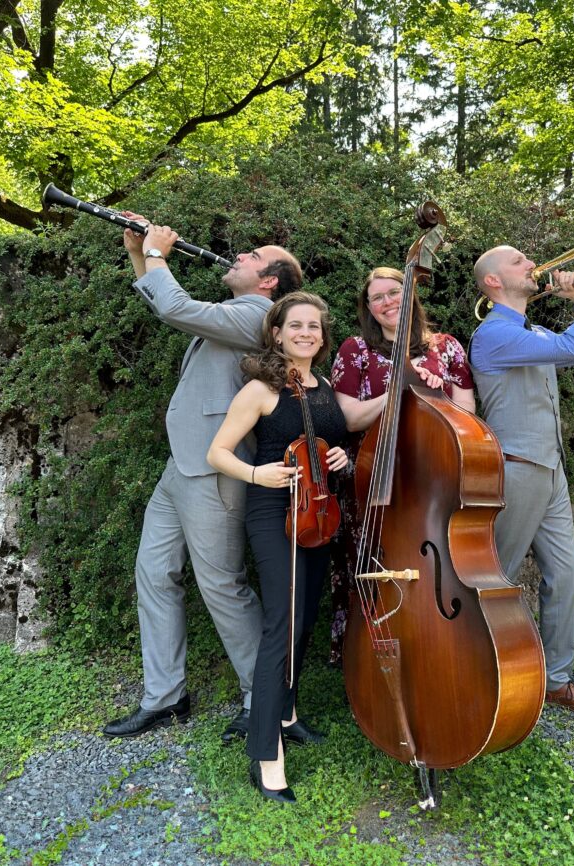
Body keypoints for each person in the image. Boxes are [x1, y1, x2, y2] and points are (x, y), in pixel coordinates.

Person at [101, 215, 302, 742]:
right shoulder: (236, 310)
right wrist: (139, 252)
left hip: (216, 466)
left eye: (252, 256)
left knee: (222, 586)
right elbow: (168, 303)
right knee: (154, 572)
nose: (238, 257)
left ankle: (266, 699)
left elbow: (175, 308)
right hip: (181, 463)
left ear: (269, 281)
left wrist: (160, 254)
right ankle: (166, 698)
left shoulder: (259, 315)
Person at [469, 246, 574, 715]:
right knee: (495, 578)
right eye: (519, 261)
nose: (532, 265)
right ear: (494, 283)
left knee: (565, 575)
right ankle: (473, 667)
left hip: (551, 469)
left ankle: (556, 680)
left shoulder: (532, 330)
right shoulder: (493, 335)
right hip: (519, 469)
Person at [207, 292, 348, 804]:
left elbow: (337, 443)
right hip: (274, 512)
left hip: (318, 512)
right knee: (281, 626)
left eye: (314, 325)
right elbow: (217, 451)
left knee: (306, 616)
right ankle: (266, 753)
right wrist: (255, 472)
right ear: (278, 333)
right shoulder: (263, 389)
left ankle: (286, 713)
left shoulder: (325, 386)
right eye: (296, 325)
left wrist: (340, 460)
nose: (306, 332)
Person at [328, 266, 474, 662]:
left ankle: (436, 649)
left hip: (434, 480)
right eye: (377, 298)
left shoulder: (447, 348)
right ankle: (365, 660)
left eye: (394, 292)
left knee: (435, 568)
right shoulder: (354, 349)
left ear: (411, 295)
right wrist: (399, 388)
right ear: (369, 308)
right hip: (373, 481)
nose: (387, 302)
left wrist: (433, 392)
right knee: (373, 563)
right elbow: (351, 418)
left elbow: (469, 420)